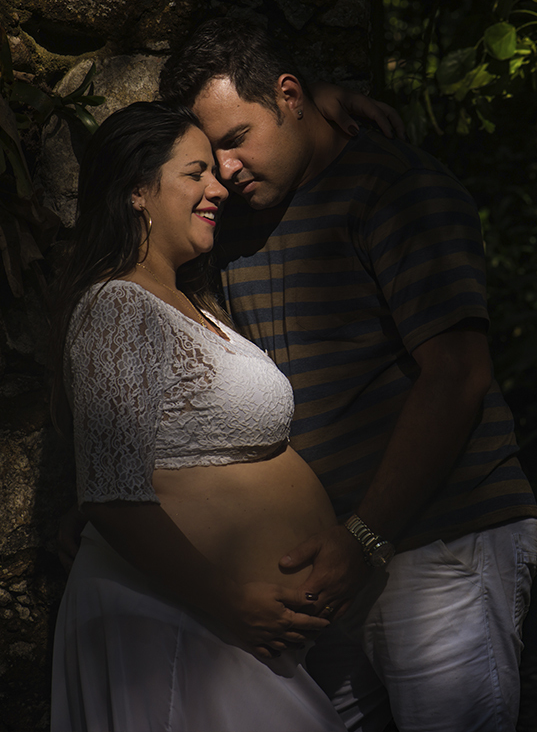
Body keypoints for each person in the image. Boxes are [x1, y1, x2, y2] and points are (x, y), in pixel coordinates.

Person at [158, 19, 537, 732]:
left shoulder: (397, 190)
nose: (228, 169)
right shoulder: (235, 224)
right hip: (325, 560)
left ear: (290, 96)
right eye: (213, 154)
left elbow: (457, 374)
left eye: (238, 137)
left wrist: (365, 537)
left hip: (441, 542)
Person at [49, 100, 353, 731]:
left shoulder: (190, 301)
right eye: (196, 173)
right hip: (178, 625)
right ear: (137, 190)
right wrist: (232, 601)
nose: (218, 188)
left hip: (209, 628)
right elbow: (109, 495)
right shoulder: (117, 306)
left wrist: (329, 99)